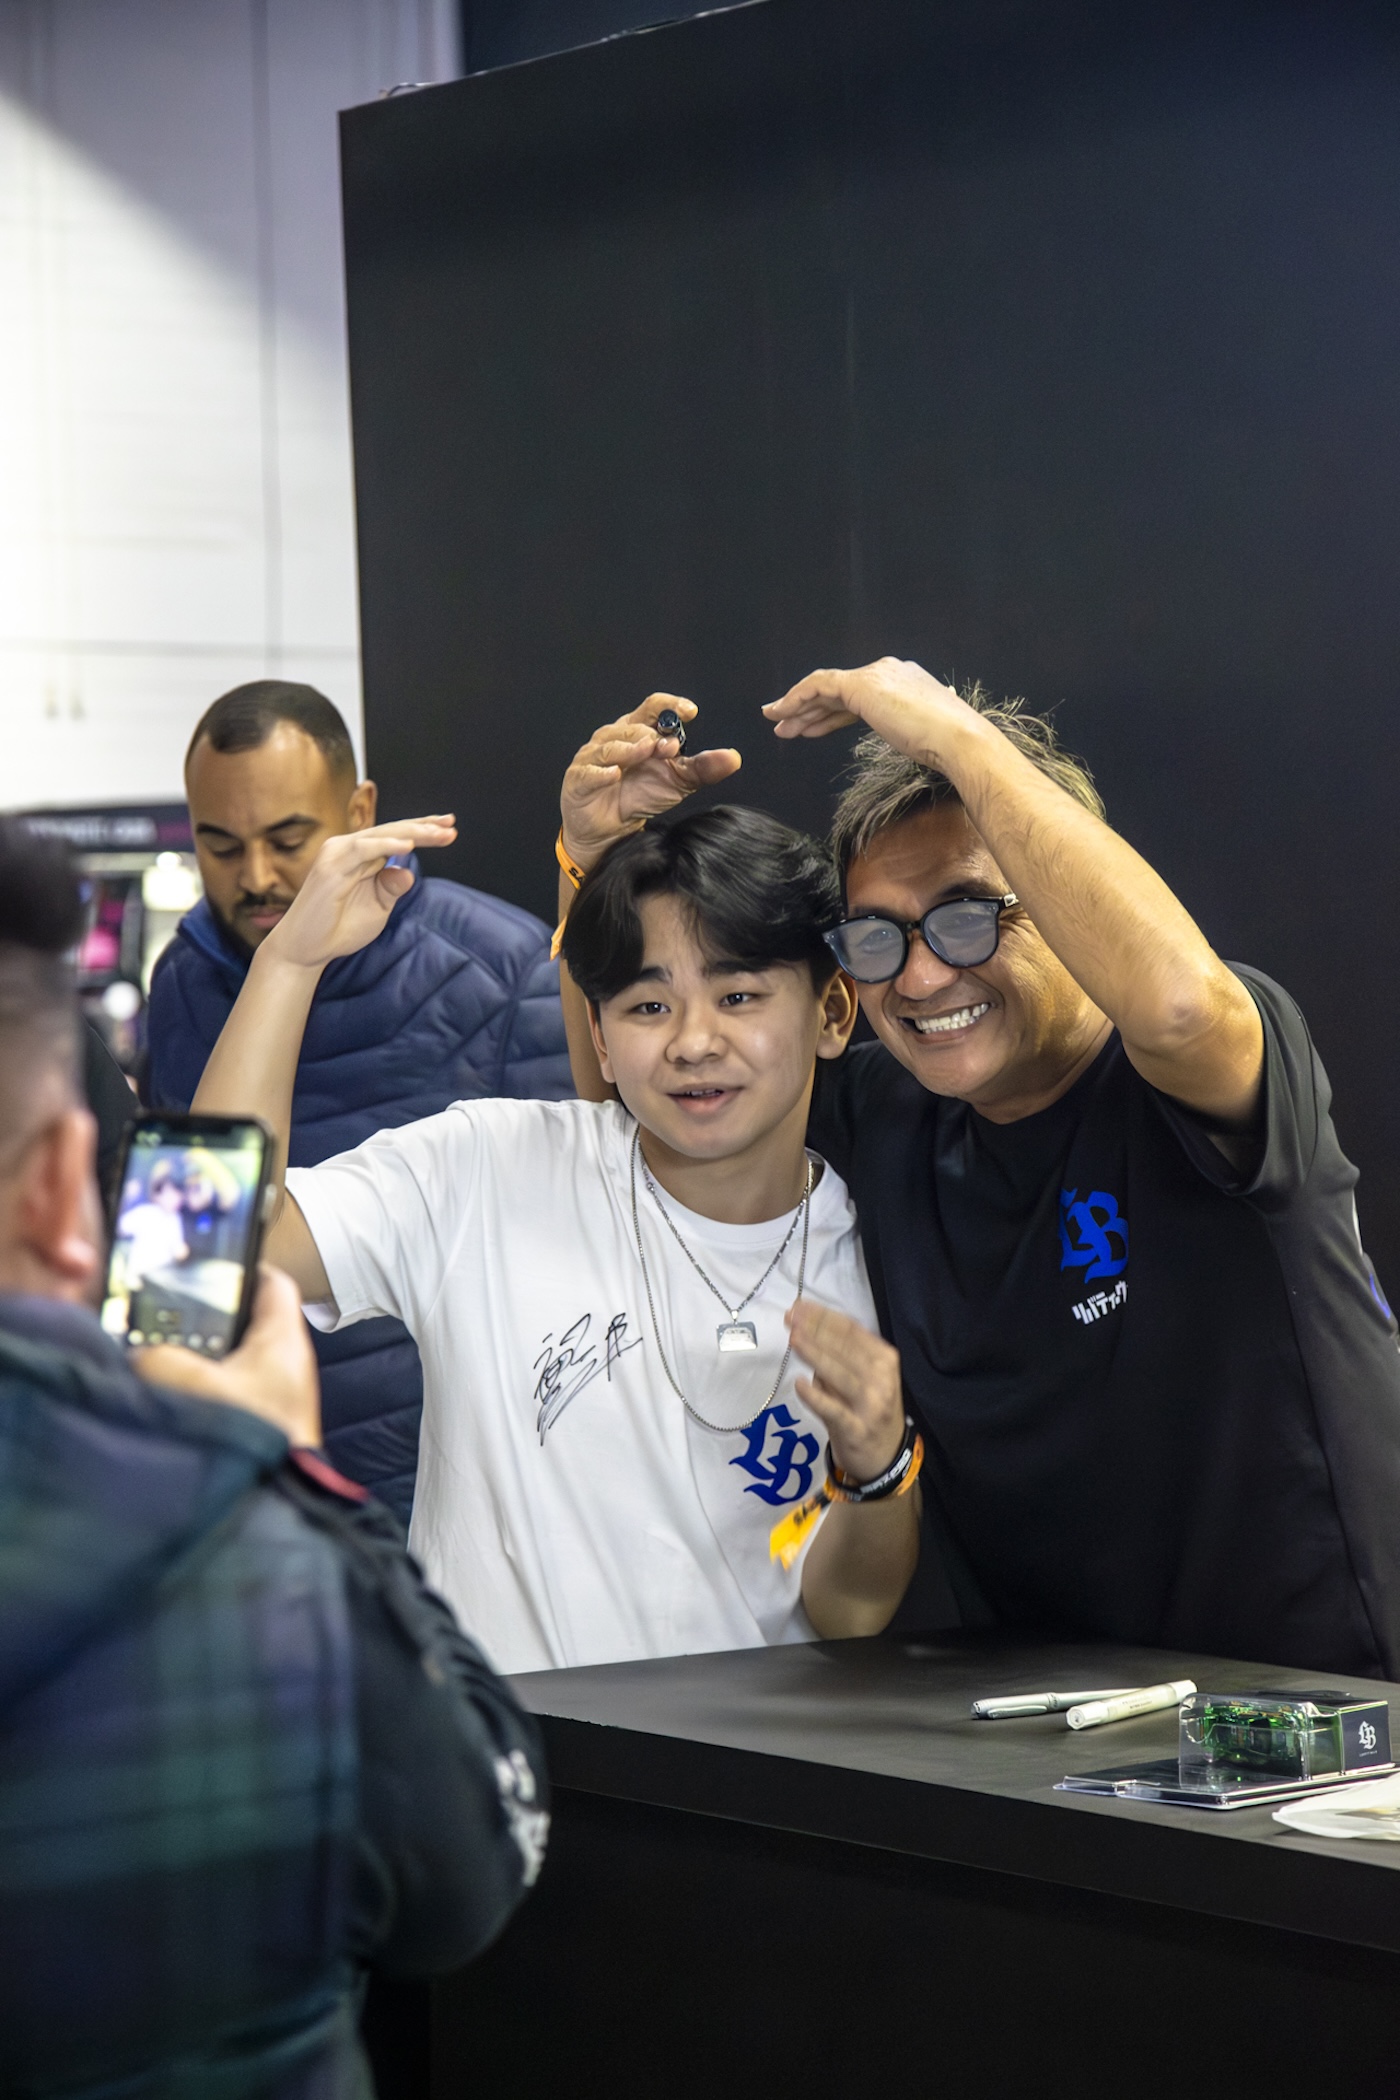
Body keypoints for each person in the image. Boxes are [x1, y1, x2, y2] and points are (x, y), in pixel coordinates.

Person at [569, 664, 1400, 1680]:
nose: (921, 976)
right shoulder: (887, 1113)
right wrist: (593, 863)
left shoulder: (1196, 1073)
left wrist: (951, 733)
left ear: (1054, 904)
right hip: (1060, 1731)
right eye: (877, 939)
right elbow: (643, 1098)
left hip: (1334, 1711)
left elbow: (1183, 1009)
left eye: (969, 916)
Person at [187, 701, 921, 1675]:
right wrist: (288, 960)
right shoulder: (486, 1170)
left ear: (832, 1011)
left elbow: (847, 1611)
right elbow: (182, 1265)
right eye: (648, 1005)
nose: (693, 1040)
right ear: (600, 1041)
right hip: (496, 1755)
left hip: (746, 1764)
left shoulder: (878, 1258)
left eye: (738, 995)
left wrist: (879, 1467)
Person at [0, 817, 547, 2098]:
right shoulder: (266, 1579)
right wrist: (285, 1475)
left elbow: (187, 1273)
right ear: (67, 1186)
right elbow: (468, 1876)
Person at [144, 679, 573, 1520]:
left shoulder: (502, 971)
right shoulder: (184, 983)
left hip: (446, 1496)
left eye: (287, 840)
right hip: (247, 1485)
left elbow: (571, 1257)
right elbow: (187, 1266)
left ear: (360, 810)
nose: (256, 876)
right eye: (220, 846)